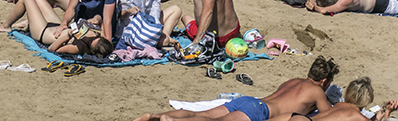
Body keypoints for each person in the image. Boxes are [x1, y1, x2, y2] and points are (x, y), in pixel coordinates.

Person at [133, 56, 338, 121]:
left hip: (249, 101)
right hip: (258, 111)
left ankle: (155, 115)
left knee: (203, 113)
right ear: (325, 81)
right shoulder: (317, 91)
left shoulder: (293, 81)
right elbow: (328, 116)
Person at [0, 0, 113, 57]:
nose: (90, 38)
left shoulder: (78, 47)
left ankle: (6, 26)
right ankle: (29, 23)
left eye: (90, 42)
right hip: (56, 25)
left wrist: (68, 36)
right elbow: (100, 18)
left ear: (90, 49)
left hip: (42, 32)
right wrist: (96, 20)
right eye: (94, 38)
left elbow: (51, 50)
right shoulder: (99, 37)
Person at [306, 78, 398, 121]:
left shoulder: (339, 106)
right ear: (369, 99)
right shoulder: (357, 116)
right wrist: (387, 113)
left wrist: (384, 109)